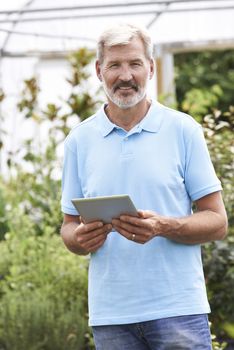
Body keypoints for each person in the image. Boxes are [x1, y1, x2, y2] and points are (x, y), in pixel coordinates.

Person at [60, 23, 228, 350]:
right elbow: (68, 228)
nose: (125, 75)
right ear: (99, 70)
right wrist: (79, 239)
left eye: (135, 63)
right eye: (114, 65)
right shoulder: (79, 141)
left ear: (150, 68)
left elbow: (217, 222)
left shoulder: (183, 130)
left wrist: (164, 225)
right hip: (111, 317)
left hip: (179, 309)